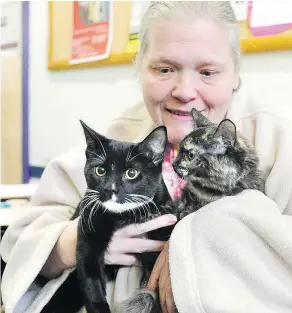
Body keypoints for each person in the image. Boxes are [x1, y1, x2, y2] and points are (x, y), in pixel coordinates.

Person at [1, 2, 292, 313]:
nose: (184, 91)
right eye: (164, 69)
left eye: (208, 72)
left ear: (236, 75)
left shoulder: (275, 143)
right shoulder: (118, 137)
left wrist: (197, 239)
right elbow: (19, 243)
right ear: (139, 67)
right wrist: (75, 242)